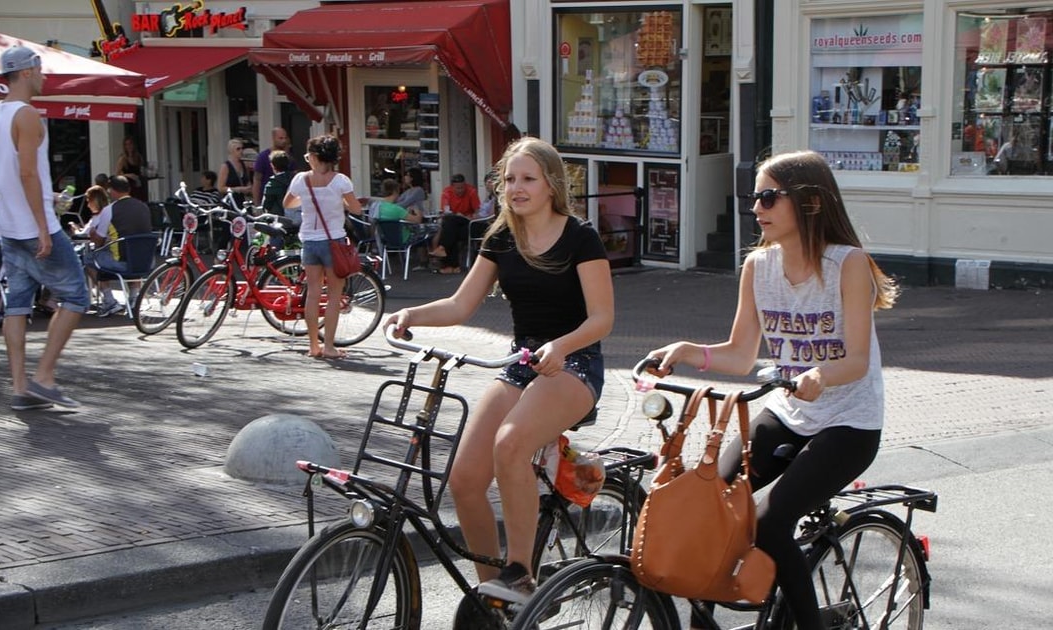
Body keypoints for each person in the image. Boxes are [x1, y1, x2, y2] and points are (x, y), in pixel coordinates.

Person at [642, 150, 897, 630]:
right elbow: (741, 354)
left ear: (811, 203)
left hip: (848, 422)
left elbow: (858, 359)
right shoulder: (758, 267)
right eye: (752, 197)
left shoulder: (849, 264)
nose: (754, 207)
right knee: (708, 502)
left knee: (768, 522)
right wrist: (688, 351)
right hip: (787, 411)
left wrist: (820, 376)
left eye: (767, 197)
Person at [384, 137, 614, 604]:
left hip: (575, 363)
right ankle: (491, 591)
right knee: (465, 479)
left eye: (528, 178)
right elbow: (460, 303)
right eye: (509, 179)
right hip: (521, 363)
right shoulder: (501, 236)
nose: (517, 188)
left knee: (511, 443)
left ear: (551, 184)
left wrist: (562, 345)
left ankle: (520, 573)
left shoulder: (580, 236)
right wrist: (410, 316)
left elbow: (602, 319)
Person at [0, 45, 91, 410]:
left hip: (9, 224)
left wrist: (41, 195)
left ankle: (19, 387)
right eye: (41, 70)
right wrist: (45, 225)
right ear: (27, 72)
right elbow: (27, 171)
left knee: (17, 305)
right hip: (32, 225)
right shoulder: (27, 115)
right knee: (76, 296)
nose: (44, 77)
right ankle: (44, 376)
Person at [283, 134, 364, 359]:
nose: (307, 158)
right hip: (334, 241)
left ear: (316, 157)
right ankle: (328, 346)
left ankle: (313, 346)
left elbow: (287, 203)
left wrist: (307, 200)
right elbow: (356, 209)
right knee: (334, 296)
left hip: (309, 241)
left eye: (309, 155)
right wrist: (340, 202)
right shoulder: (341, 181)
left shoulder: (301, 180)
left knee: (312, 295)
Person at [85, 175, 152, 317]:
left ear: (111, 190)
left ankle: (109, 301)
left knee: (90, 259)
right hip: (145, 261)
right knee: (132, 253)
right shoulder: (144, 206)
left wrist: (92, 233)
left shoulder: (109, 210)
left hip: (121, 261)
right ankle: (134, 298)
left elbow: (99, 241)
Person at [433, 173, 481, 274]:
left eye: (462, 187)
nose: (461, 190)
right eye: (458, 188)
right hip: (455, 223)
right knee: (451, 228)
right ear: (452, 187)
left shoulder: (471, 191)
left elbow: (477, 212)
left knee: (449, 224)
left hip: (468, 221)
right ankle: (454, 267)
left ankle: (445, 253)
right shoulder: (447, 192)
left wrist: (465, 216)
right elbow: (446, 210)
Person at [251, 126, 293, 205]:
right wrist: (257, 203)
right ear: (274, 139)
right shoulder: (263, 157)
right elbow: (257, 181)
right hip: (270, 199)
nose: (284, 141)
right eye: (280, 138)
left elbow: (295, 176)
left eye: (285, 138)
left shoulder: (289, 157)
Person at [217, 138, 253, 207]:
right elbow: (220, 188)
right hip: (231, 202)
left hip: (243, 201)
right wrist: (238, 189)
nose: (241, 151)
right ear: (231, 151)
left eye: (242, 148)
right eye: (238, 149)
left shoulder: (243, 164)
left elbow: (247, 181)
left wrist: (249, 189)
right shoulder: (226, 166)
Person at [261, 150, 292, 218]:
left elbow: (266, 205)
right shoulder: (295, 179)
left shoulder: (272, 183)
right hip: (296, 218)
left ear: (272, 165)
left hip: (278, 219)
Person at [114, 136, 146, 201]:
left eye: (130, 144)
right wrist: (129, 175)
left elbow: (142, 170)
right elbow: (117, 174)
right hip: (128, 186)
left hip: (137, 185)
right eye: (126, 144)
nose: (129, 146)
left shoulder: (138, 157)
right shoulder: (123, 159)